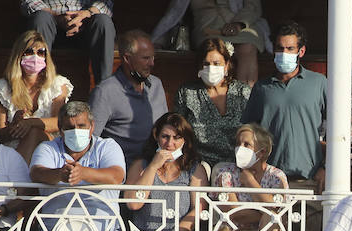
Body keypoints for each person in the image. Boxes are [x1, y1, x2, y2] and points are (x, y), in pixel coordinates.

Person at [27, 101, 128, 231]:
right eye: (70, 127)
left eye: (81, 126)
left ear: (92, 127)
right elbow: (37, 173)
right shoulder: (48, 148)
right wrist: (59, 174)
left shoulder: (107, 146)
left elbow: (116, 175)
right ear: (60, 128)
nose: (76, 131)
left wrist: (84, 173)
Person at [240, 22, 327, 184]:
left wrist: (326, 167)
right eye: (280, 48)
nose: (283, 53)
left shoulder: (319, 83)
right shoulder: (262, 87)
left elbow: (338, 130)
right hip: (270, 179)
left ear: (301, 51)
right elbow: (248, 131)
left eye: (290, 49)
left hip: (309, 178)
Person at [0, 30, 72, 162]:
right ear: (19, 55)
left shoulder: (58, 85)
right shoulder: (3, 88)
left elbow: (59, 123)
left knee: (34, 132)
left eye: (41, 52)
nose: (35, 57)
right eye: (29, 52)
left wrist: (30, 123)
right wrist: (14, 127)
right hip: (14, 147)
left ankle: (15, 174)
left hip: (49, 145)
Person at [87, 30, 167, 163]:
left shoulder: (156, 84)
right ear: (127, 59)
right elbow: (90, 140)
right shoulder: (105, 92)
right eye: (146, 58)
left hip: (156, 167)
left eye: (153, 58)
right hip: (122, 170)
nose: (152, 63)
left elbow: (165, 128)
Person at [176, 39, 253, 167]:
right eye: (206, 64)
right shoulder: (187, 92)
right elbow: (178, 129)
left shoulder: (242, 92)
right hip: (199, 163)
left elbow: (253, 130)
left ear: (226, 65)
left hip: (237, 164)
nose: (211, 68)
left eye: (216, 63)